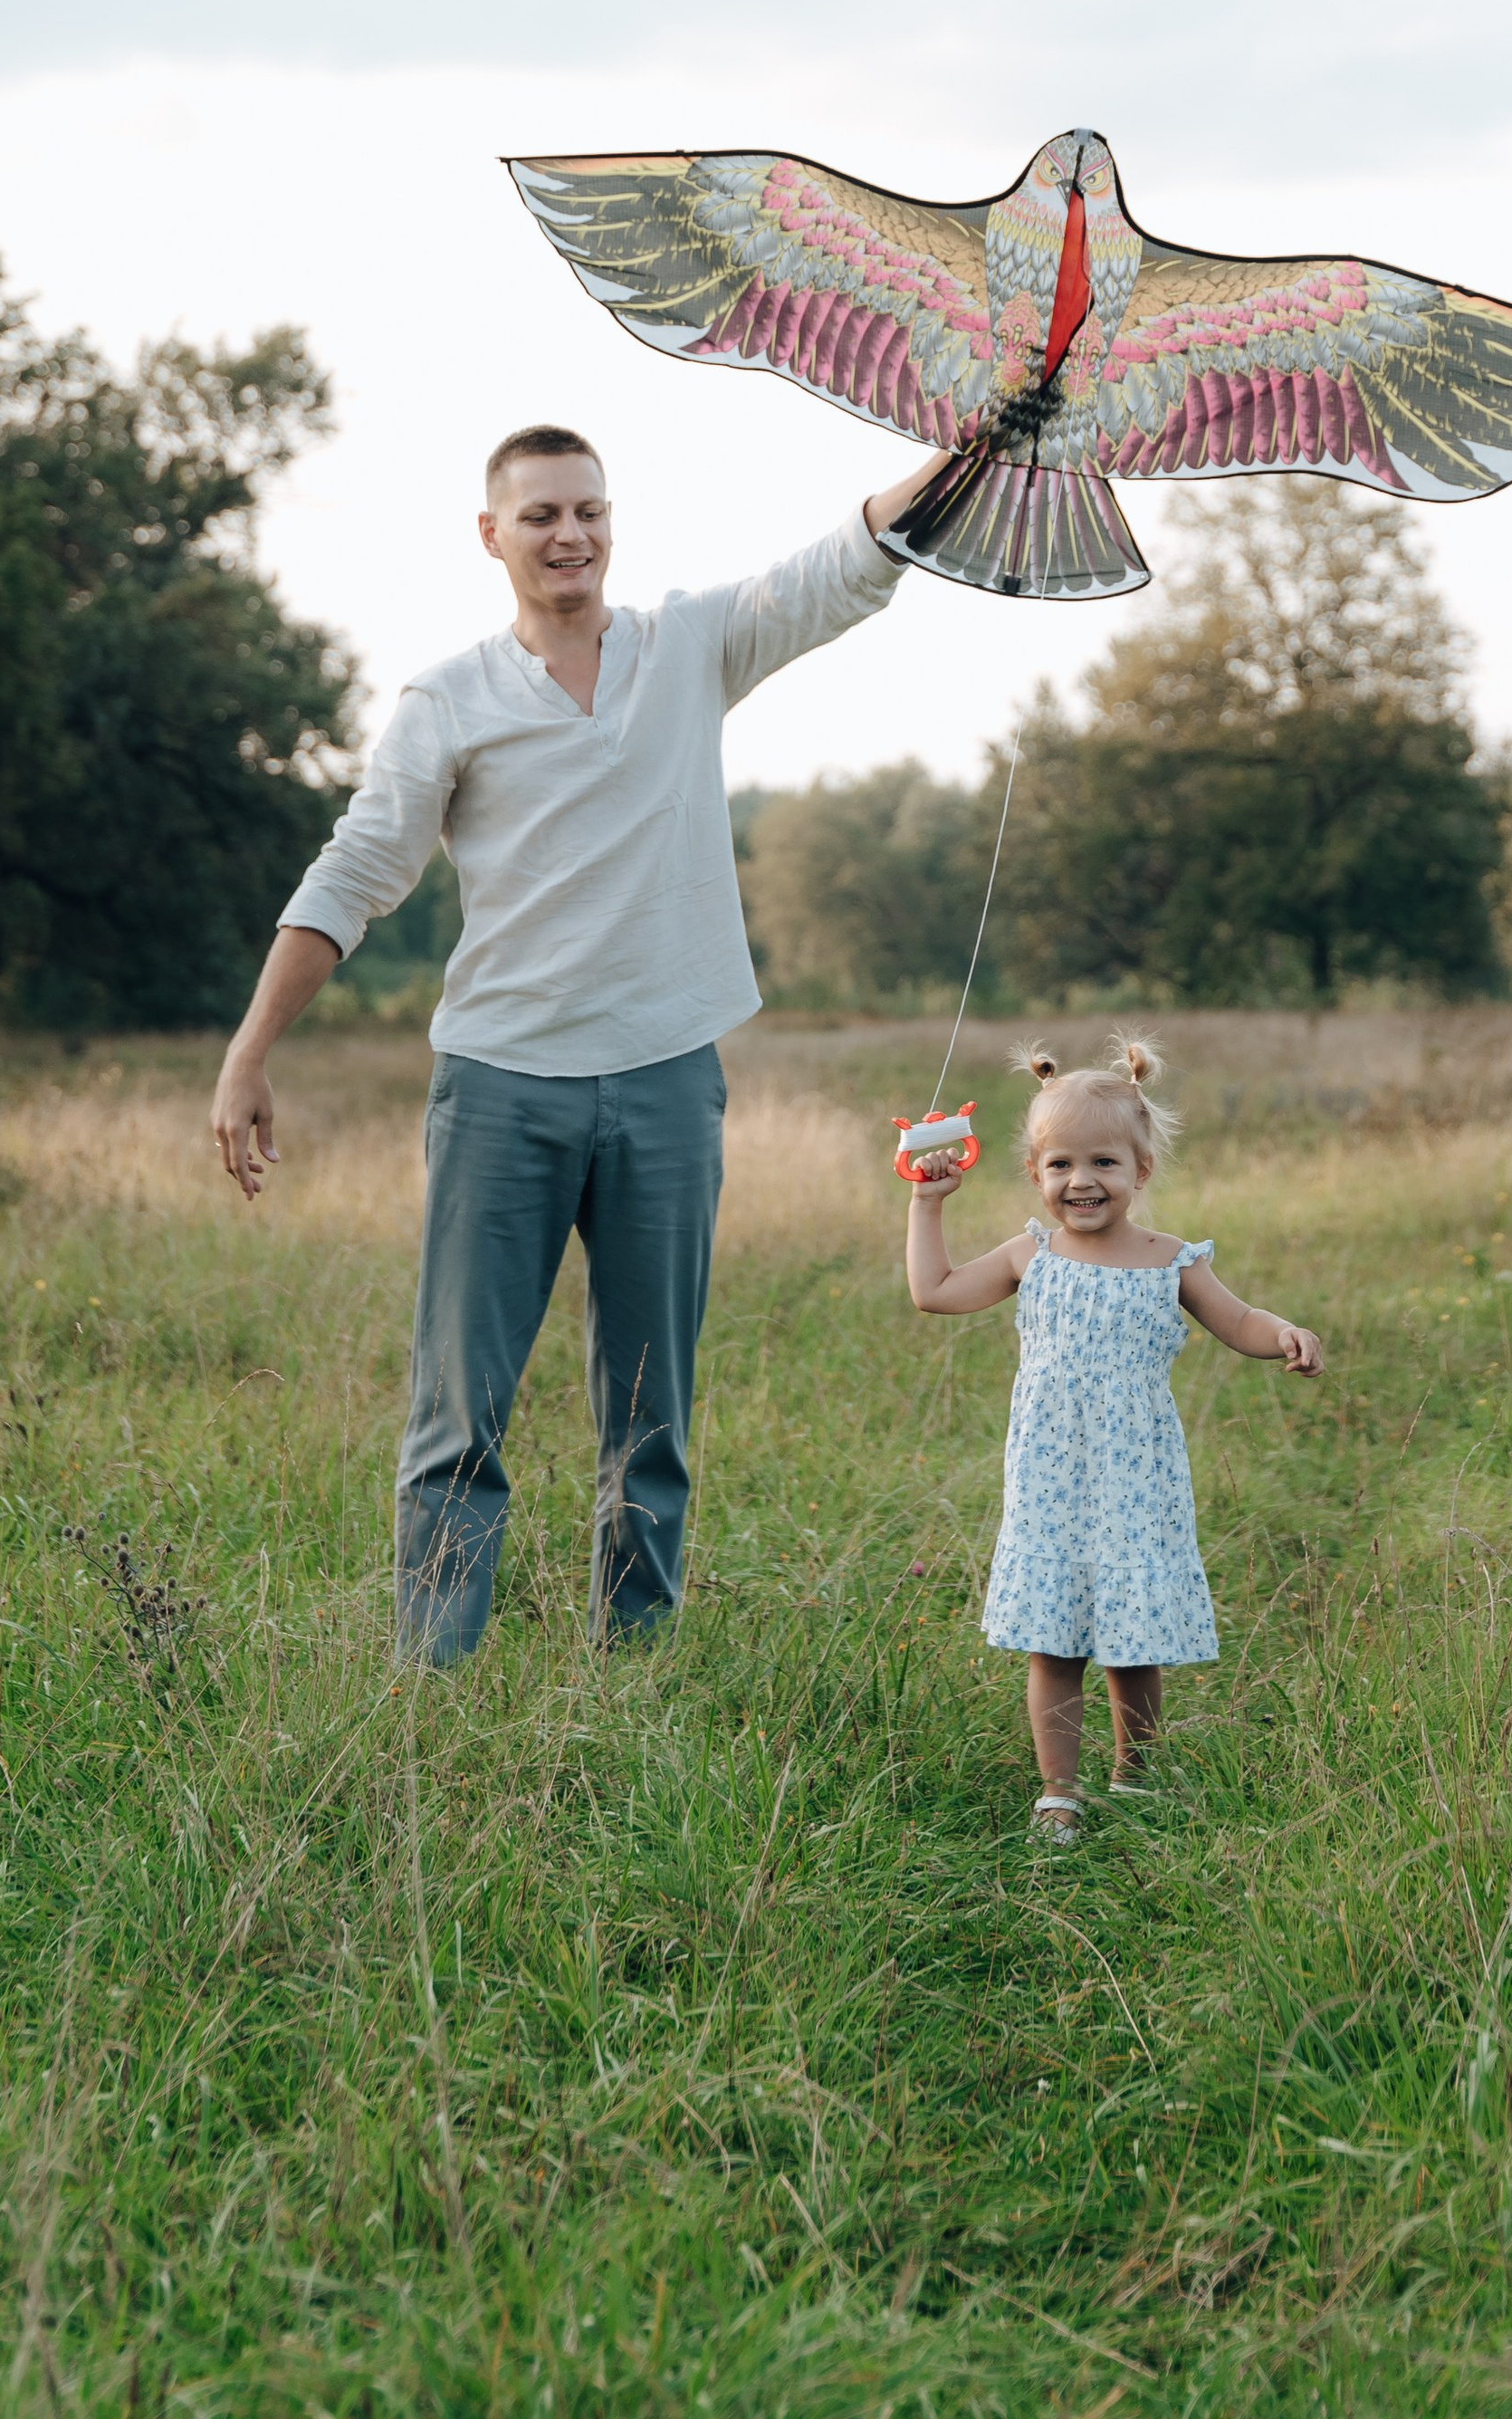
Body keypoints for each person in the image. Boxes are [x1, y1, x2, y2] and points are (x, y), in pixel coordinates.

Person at [210, 420, 949, 1661]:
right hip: (501, 1090)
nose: (572, 535)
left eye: (590, 512)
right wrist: (248, 1053)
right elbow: (354, 876)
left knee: (653, 1413)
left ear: (613, 525)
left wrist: (965, 448)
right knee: (460, 1412)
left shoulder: (689, 647)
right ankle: (431, 1678)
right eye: (543, 514)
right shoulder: (449, 700)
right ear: (491, 535)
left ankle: (633, 1667)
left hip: (666, 1081)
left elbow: (839, 565)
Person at [903, 1039, 1324, 1845]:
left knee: (1133, 1643)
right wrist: (929, 1204)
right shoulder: (1034, 1254)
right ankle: (1058, 1792)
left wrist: (1286, 1334)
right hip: (1050, 1478)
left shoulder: (1171, 1262)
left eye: (1104, 1162)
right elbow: (936, 1293)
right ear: (1034, 1173)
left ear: (1141, 1171)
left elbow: (1240, 1324)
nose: (1082, 1180)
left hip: (1138, 1479)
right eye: (1060, 1164)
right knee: (1052, 1641)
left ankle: (1137, 1774)